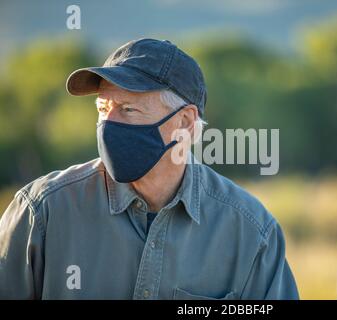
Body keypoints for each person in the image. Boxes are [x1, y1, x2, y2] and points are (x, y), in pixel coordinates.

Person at [0, 38, 299, 299]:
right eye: (103, 109)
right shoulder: (42, 213)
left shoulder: (251, 233)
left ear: (184, 123)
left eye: (129, 109)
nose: (108, 125)